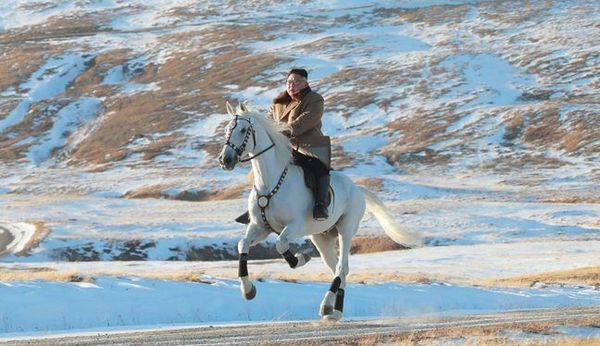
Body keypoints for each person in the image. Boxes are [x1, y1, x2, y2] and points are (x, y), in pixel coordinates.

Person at [235, 68, 331, 224]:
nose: (292, 85)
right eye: (289, 82)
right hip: (283, 146)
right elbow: (269, 122)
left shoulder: (314, 99)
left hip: (307, 146)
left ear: (305, 83)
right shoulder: (278, 103)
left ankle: (320, 205)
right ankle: (257, 207)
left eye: (296, 81)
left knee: (319, 169)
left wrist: (282, 131)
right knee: (261, 169)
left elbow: (306, 120)